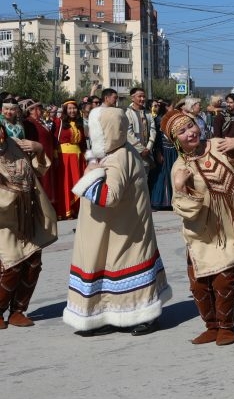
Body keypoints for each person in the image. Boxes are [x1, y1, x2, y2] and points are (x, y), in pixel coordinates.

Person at [164, 109, 234, 346]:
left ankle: (226, 326)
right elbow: (186, 210)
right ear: (175, 141)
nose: (190, 133)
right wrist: (181, 187)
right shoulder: (179, 168)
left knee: (224, 280)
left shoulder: (217, 144)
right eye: (182, 132)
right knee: (199, 283)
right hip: (201, 233)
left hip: (231, 229)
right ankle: (211, 326)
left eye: (191, 126)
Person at [64, 107, 172, 336]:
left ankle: (146, 315)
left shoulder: (119, 156)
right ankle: (110, 314)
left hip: (126, 229)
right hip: (115, 228)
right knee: (111, 267)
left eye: (97, 131)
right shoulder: (116, 152)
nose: (92, 136)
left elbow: (109, 196)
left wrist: (89, 175)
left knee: (129, 264)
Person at [0, 121, 57, 328]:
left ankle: (18, 311)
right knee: (11, 264)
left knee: (33, 262)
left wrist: (39, 150)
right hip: (4, 220)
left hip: (27, 215)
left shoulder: (15, 144)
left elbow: (39, 170)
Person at [51, 99, 87, 219]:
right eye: (70, 108)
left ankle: (76, 208)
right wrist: (55, 156)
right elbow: (54, 140)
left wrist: (87, 157)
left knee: (78, 183)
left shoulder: (79, 123)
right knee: (66, 183)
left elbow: (83, 143)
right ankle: (67, 210)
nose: (72, 111)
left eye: (74, 108)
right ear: (66, 110)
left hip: (78, 157)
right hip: (64, 157)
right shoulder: (59, 123)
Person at [150, 100, 178, 211]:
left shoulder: (173, 119)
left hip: (173, 150)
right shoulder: (158, 120)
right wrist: (158, 152)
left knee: (173, 173)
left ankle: (172, 201)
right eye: (172, 106)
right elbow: (157, 139)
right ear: (167, 107)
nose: (174, 109)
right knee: (163, 174)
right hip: (163, 150)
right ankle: (160, 201)